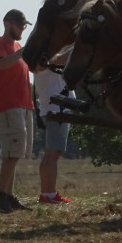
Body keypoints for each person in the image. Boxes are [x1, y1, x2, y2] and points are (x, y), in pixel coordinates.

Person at [0, 9, 35, 213]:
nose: (22, 29)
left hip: (24, 104)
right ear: (8, 23)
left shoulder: (16, 46)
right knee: (11, 152)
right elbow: (2, 64)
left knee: (16, 153)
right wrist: (22, 52)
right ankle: (0, 196)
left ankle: (8, 195)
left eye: (24, 25)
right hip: (8, 104)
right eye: (20, 25)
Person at [32, 46, 75, 204]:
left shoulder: (48, 59)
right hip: (56, 110)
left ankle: (48, 193)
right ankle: (48, 194)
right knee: (52, 153)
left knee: (52, 153)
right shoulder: (44, 59)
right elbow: (61, 59)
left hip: (56, 109)